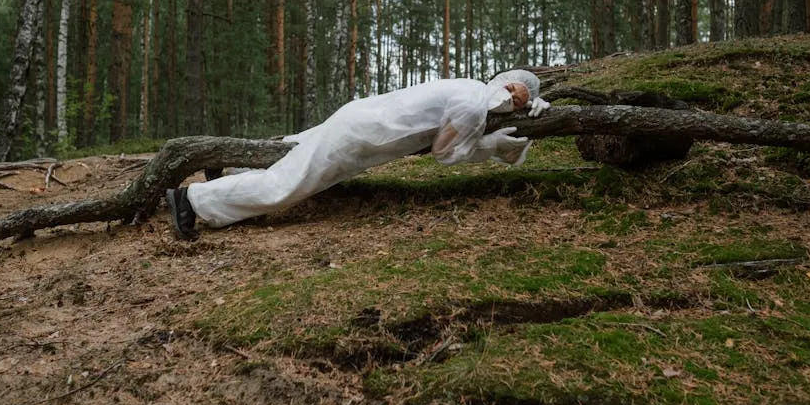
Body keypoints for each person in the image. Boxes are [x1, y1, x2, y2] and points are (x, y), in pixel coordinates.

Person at [166, 69, 551, 241]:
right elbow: (445, 154)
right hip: (362, 136)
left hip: (361, 121)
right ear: (503, 80)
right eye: (516, 90)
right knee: (286, 186)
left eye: (522, 102)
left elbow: (479, 115)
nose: (516, 100)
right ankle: (193, 201)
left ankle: (228, 172)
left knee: (295, 149)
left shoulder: (470, 89)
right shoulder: (473, 108)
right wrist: (496, 145)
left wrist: (532, 104)